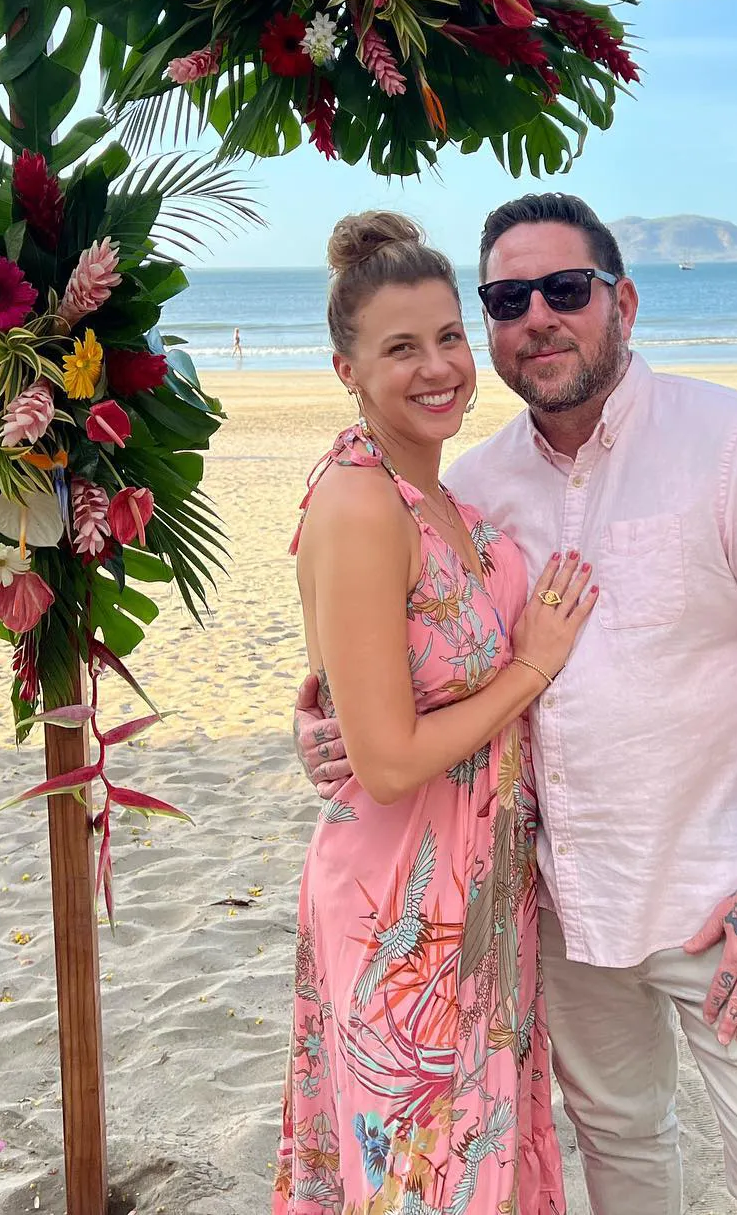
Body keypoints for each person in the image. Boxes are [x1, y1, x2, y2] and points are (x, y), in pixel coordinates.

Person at [297, 194, 737, 1214]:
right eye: (507, 300)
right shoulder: (476, 483)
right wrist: (324, 715)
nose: (538, 317)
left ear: (624, 301)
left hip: (726, 901)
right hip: (558, 904)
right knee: (621, 1147)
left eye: (566, 289)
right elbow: (406, 643)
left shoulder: (735, 442)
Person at [274, 211, 596, 1215]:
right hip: (401, 908)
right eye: (401, 348)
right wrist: (532, 667)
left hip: (482, 885)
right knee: (421, 1181)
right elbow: (386, 760)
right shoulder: (361, 502)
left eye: (450, 336)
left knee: (478, 1167)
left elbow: (377, 669)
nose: (438, 367)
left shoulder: (438, 492)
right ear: (348, 370)